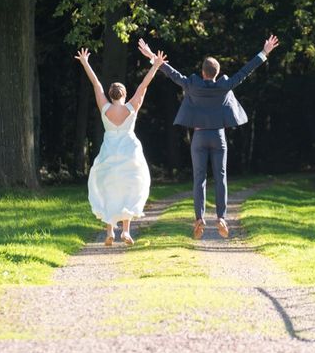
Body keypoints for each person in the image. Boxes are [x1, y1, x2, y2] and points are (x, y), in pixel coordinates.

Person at [137, 35, 279, 239]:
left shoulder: (192, 85)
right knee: (221, 178)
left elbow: (172, 73)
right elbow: (245, 71)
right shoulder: (224, 86)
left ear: (202, 72)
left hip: (199, 138)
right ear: (217, 72)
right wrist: (264, 52)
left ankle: (199, 219)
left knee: (199, 179)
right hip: (218, 137)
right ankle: (221, 217)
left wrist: (152, 56)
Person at [74, 47, 167, 246]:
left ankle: (110, 231)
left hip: (109, 150)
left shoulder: (105, 108)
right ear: (124, 94)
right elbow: (143, 85)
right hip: (129, 152)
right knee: (129, 188)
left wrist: (85, 62)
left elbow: (96, 84)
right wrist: (156, 66)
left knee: (109, 189)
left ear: (110, 94)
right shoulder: (131, 107)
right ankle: (125, 231)